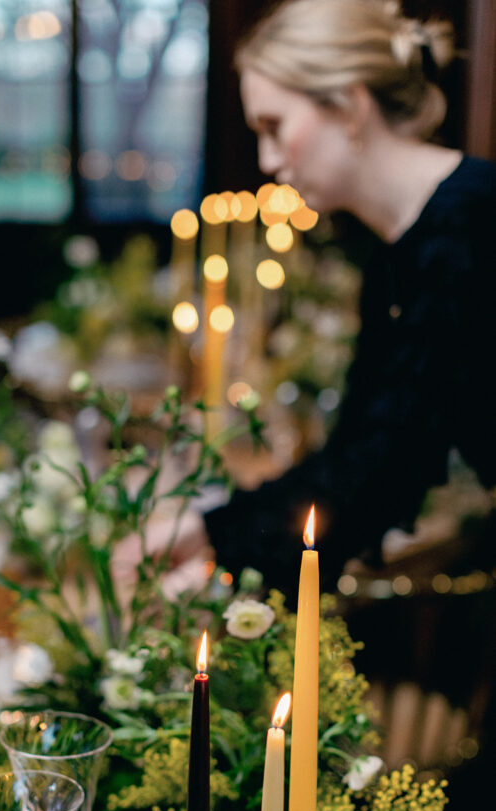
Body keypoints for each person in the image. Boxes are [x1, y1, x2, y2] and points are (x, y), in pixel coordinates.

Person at [184, 0, 496, 605]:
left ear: (349, 106)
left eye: (275, 126)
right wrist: (207, 537)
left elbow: (379, 475)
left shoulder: (472, 229)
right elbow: (364, 459)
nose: (268, 161)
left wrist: (212, 539)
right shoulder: (396, 253)